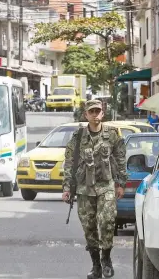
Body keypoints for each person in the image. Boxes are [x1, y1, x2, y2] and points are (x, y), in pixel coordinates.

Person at [62, 100, 127, 279]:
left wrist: (121, 183)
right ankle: (96, 265)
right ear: (86, 115)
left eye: (98, 111)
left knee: (107, 222)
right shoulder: (78, 137)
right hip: (84, 188)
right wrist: (67, 187)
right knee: (89, 228)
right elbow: (69, 163)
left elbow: (121, 159)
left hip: (106, 186)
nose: (95, 114)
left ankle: (106, 259)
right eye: (92, 111)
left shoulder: (112, 135)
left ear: (102, 114)